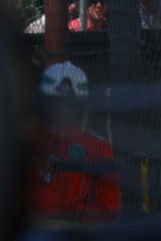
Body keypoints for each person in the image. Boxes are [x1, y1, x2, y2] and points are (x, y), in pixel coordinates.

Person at [29, 61, 121, 221]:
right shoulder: (27, 143)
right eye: (56, 102)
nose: (63, 109)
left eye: (70, 103)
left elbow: (108, 209)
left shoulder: (98, 148)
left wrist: (68, 219)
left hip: (74, 237)